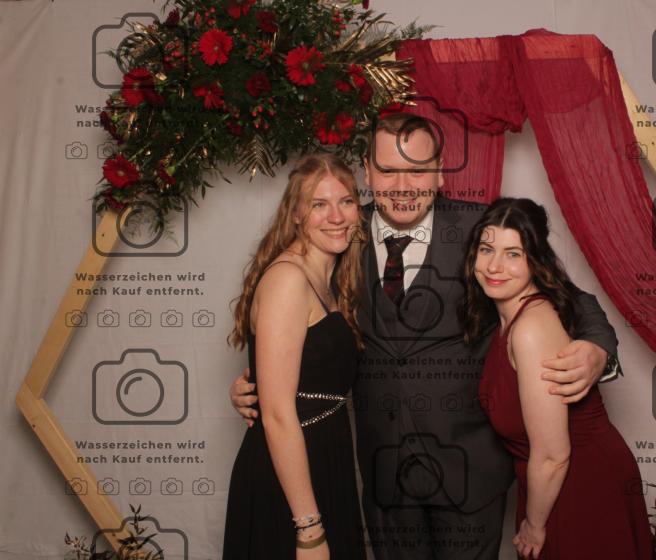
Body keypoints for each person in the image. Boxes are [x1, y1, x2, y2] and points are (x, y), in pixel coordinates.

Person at [229, 113, 623, 559]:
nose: (402, 186)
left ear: (439, 173)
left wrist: (598, 350)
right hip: (384, 479)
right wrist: (259, 386)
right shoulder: (339, 234)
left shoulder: (479, 231)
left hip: (470, 476)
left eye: (417, 171)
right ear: (367, 171)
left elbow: (572, 298)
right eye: (388, 170)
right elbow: (302, 330)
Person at [467, 197, 653, 559]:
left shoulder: (530, 328)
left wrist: (535, 524)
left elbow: (553, 454)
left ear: (537, 260)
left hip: (579, 485)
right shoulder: (507, 316)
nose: (494, 266)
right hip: (547, 485)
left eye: (513, 254)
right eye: (487, 249)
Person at [222, 153, 367, 559]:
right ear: (297, 215)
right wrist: (309, 528)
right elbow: (278, 413)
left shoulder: (329, 277)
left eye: (346, 201)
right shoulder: (288, 279)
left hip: (323, 458)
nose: (336, 216)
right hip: (287, 476)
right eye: (319, 204)